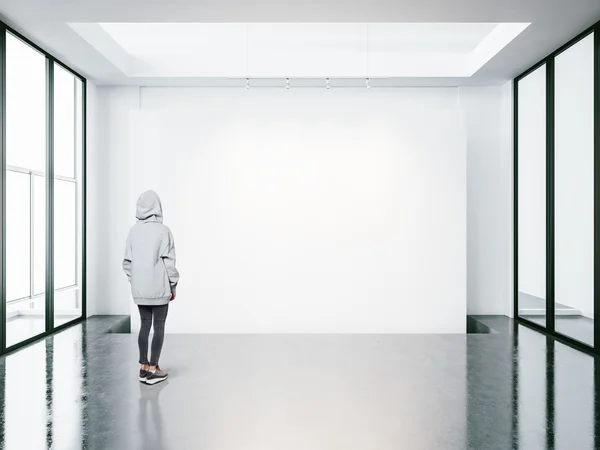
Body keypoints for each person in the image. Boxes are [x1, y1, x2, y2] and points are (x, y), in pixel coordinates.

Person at [123, 190, 179, 385]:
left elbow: (127, 263)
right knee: (159, 326)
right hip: (159, 288)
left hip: (140, 290)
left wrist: (136, 281)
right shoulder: (164, 231)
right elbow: (169, 263)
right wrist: (172, 285)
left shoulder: (133, 231)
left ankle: (143, 367)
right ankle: (154, 369)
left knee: (144, 325)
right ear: (158, 207)